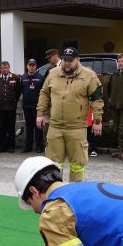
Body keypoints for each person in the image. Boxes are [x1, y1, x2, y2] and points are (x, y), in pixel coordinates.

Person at [36, 47, 104, 182]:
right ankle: (55, 192)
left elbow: (97, 99)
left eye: (70, 60)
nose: (66, 63)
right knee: (53, 165)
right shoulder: (53, 73)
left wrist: (97, 121)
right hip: (55, 127)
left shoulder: (89, 75)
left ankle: (75, 192)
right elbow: (44, 93)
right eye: (64, 60)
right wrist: (40, 113)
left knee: (77, 165)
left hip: (76, 128)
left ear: (78, 60)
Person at [0, 61, 21, 153]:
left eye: (6, 68)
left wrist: (14, 101)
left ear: (9, 68)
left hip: (11, 107)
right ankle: (2, 146)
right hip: (1, 107)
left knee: (11, 128)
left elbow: (18, 91)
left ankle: (11, 146)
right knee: (2, 128)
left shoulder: (15, 77)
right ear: (0, 69)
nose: (4, 69)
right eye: (3, 68)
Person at [21, 59, 44, 153]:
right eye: (30, 65)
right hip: (26, 106)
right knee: (29, 127)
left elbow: (44, 92)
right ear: (27, 66)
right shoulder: (23, 77)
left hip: (37, 107)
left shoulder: (40, 77)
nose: (31, 67)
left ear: (36, 66)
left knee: (38, 127)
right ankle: (28, 146)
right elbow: (20, 90)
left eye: (33, 65)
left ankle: (39, 146)